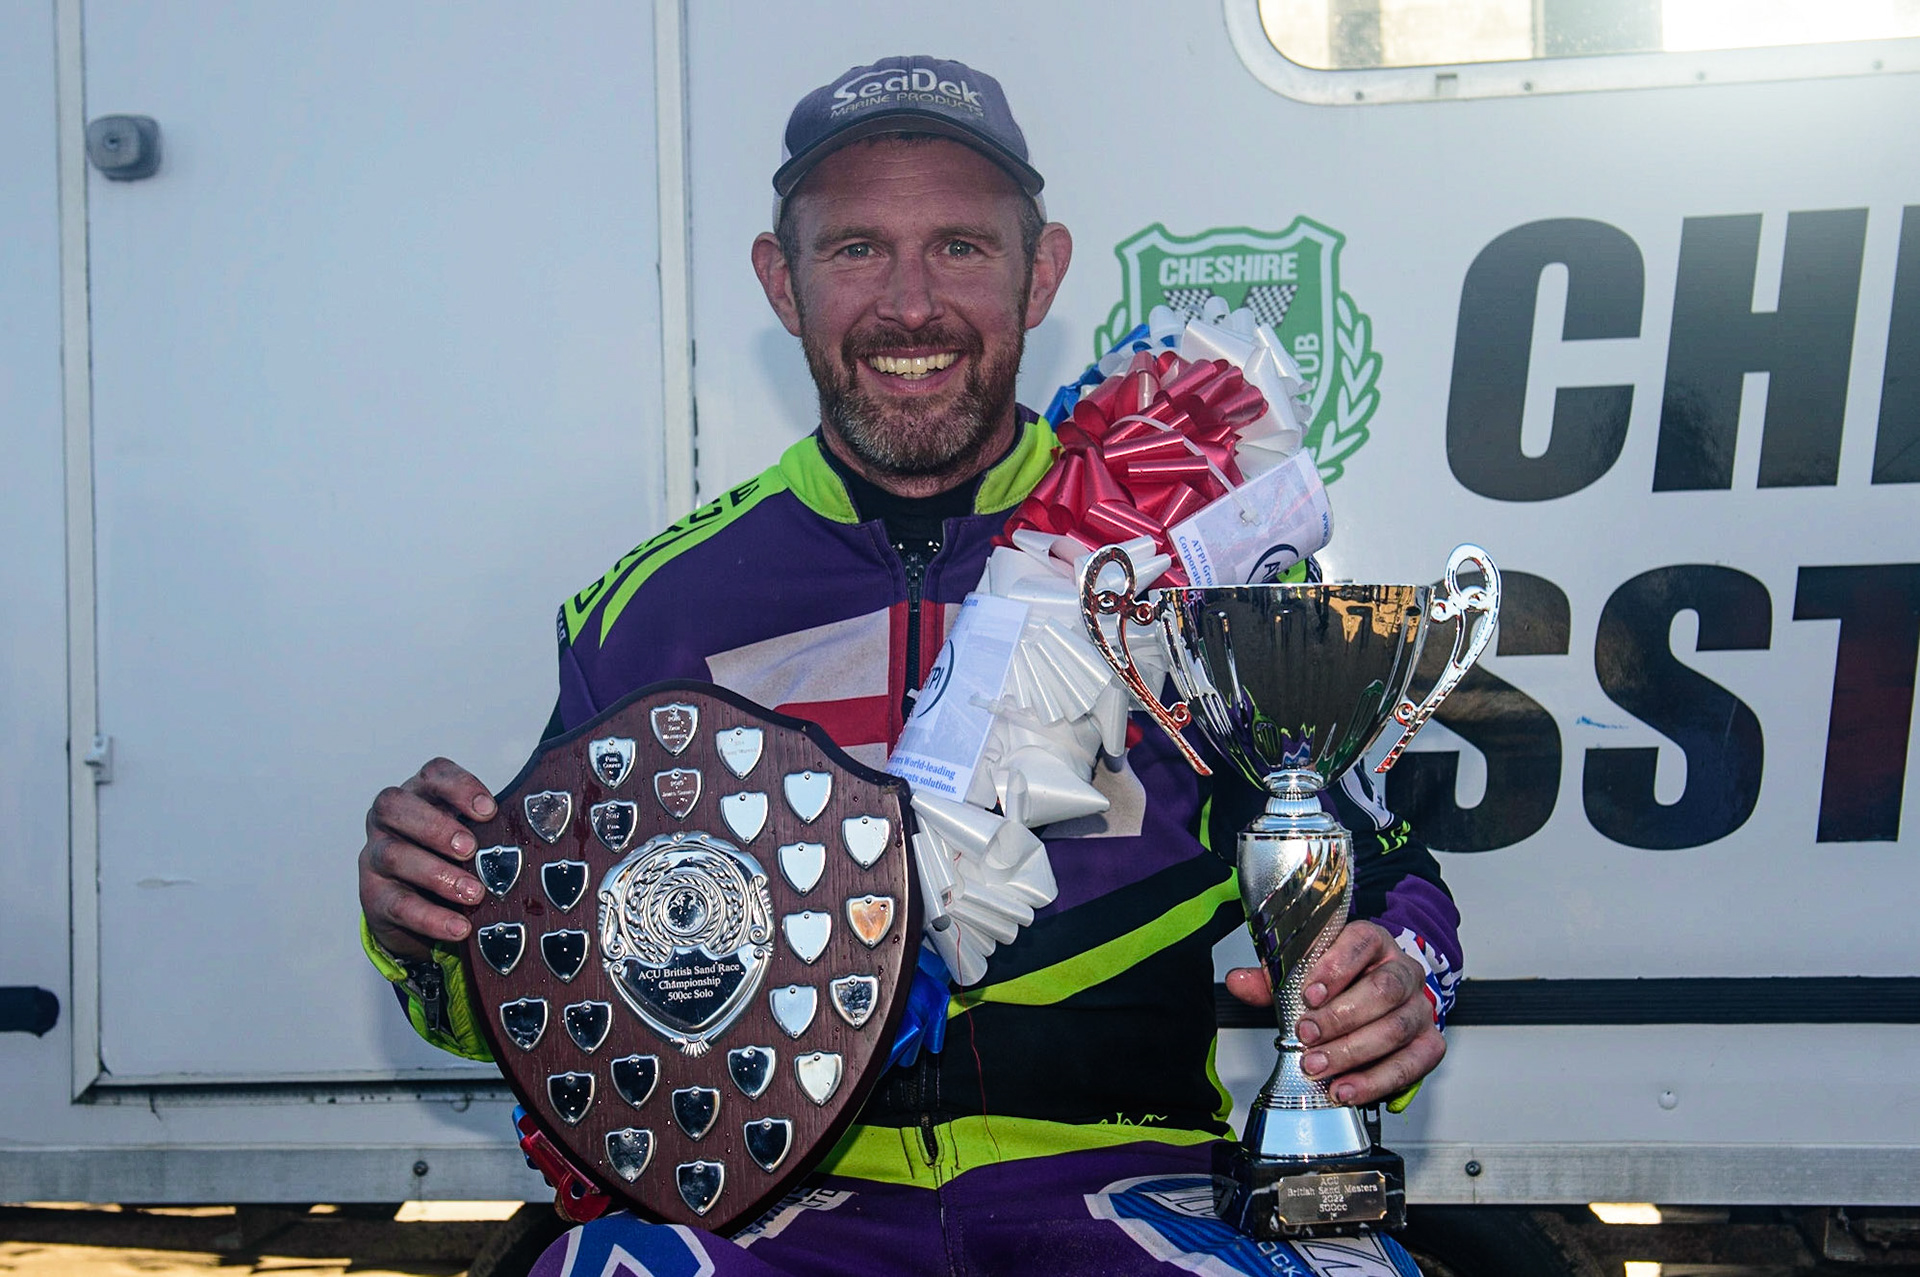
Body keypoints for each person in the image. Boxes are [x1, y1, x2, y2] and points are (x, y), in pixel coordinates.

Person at [356, 56, 1457, 1276]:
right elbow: (521, 1000)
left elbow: (1379, 867)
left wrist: (1395, 974)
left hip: (1126, 1186)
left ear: (1042, 274)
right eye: (857, 250)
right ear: (783, 282)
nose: (911, 304)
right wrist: (431, 926)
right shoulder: (652, 610)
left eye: (962, 248)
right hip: (771, 1218)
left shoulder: (1190, 559)